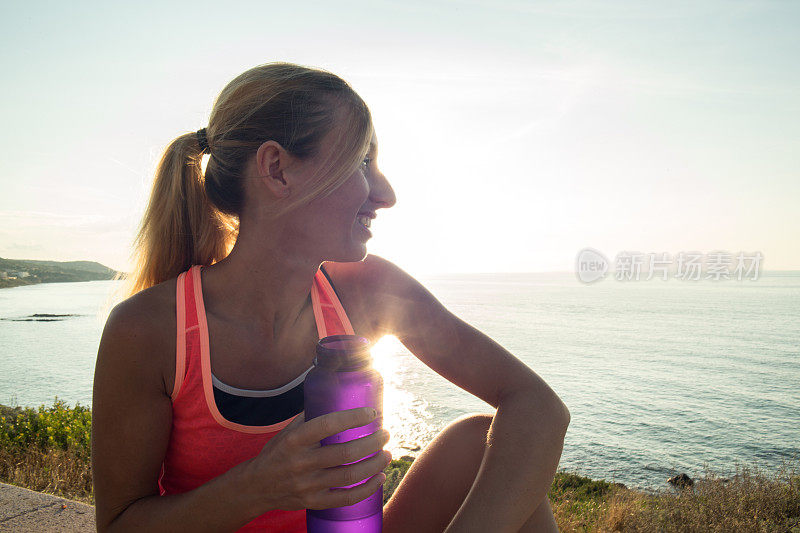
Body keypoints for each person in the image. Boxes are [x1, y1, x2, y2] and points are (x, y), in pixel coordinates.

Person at [91, 62, 570, 533]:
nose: (386, 194)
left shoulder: (367, 291)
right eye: (362, 162)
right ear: (277, 170)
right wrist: (258, 486)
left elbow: (537, 407)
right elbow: (118, 524)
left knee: (478, 443)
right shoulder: (150, 330)